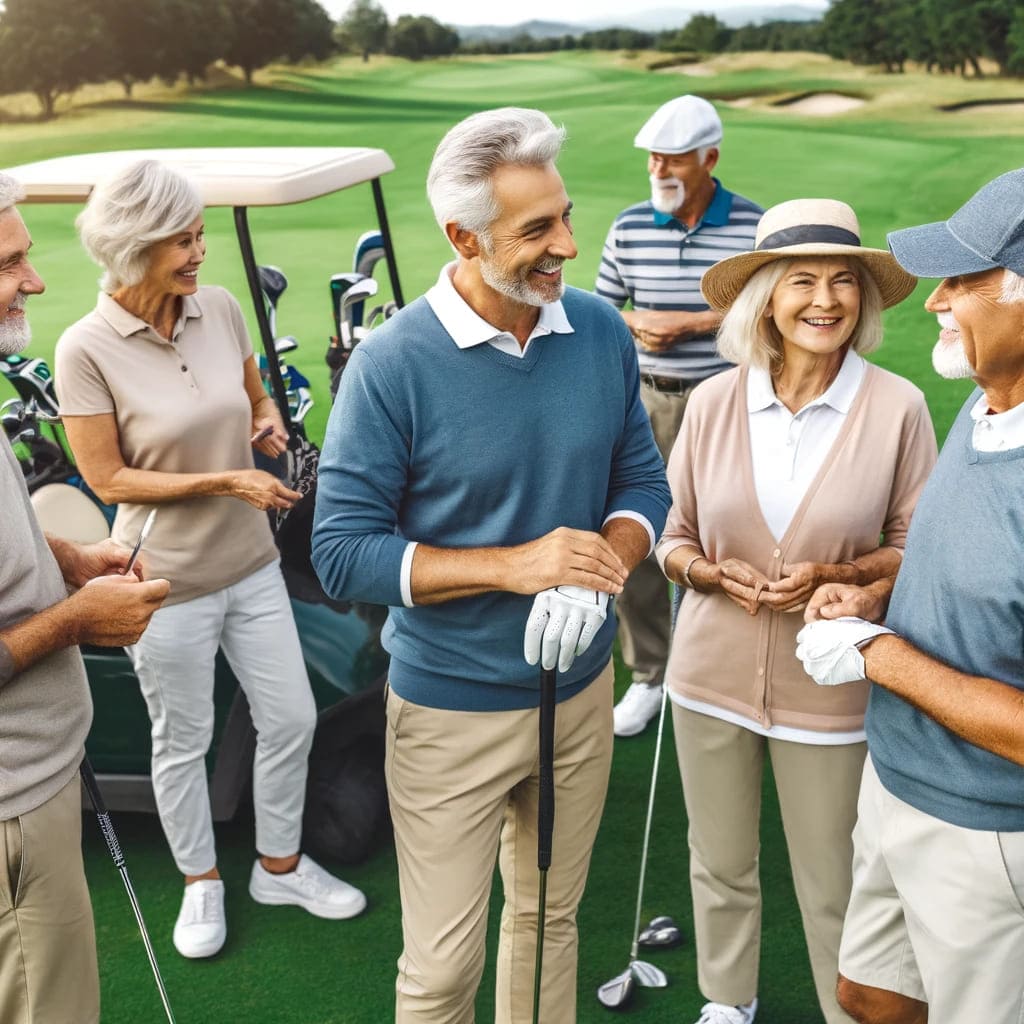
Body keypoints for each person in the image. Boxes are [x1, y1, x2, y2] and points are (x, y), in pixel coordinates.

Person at [312, 107, 670, 1023]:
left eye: (565, 216)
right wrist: (516, 566)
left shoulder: (597, 331)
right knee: (440, 970)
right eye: (537, 231)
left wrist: (600, 566)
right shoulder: (391, 366)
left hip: (581, 695)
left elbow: (641, 482)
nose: (568, 245)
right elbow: (342, 552)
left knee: (551, 922)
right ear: (462, 238)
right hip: (449, 711)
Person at [53, 159, 366, 963]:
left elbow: (255, 393)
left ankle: (279, 865)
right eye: (183, 240)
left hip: (250, 564)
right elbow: (106, 477)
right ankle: (200, 880)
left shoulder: (218, 308)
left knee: (291, 716)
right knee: (182, 737)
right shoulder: (85, 346)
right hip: (161, 582)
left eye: (200, 235)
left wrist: (260, 423)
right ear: (133, 245)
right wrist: (225, 477)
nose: (201, 253)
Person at [656, 198, 938, 1024]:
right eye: (803, 280)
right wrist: (705, 572)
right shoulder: (711, 404)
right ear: (767, 299)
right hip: (706, 676)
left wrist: (844, 572)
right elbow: (672, 536)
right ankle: (726, 1000)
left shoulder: (898, 407)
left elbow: (913, 543)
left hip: (832, 689)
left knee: (834, 875)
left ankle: (843, 1009)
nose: (826, 300)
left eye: (844, 281)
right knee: (717, 860)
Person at [797, 168, 1024, 1024]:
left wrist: (877, 657)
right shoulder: (986, 401)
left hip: (987, 831)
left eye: (964, 281)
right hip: (898, 780)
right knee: (868, 995)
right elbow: (967, 566)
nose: (934, 301)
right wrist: (871, 595)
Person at [0, 172, 170, 1024]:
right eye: (9, 262)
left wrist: (63, 557)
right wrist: (77, 619)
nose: (33, 281)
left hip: (36, 781)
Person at [596, 94, 764, 736]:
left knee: (729, 534)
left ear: (709, 158)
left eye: (672, 158)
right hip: (646, 404)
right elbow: (600, 308)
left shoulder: (752, 226)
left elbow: (770, 310)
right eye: (652, 159)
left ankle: (729, 668)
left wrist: (692, 321)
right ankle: (650, 674)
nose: (658, 170)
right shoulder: (630, 226)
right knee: (636, 532)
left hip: (732, 405)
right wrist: (638, 320)